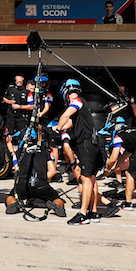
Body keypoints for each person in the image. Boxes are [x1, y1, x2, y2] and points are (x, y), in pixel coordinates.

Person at [58, 79, 106, 225]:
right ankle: (94, 212)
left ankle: (83, 214)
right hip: (92, 143)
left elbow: (65, 117)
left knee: (85, 179)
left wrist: (58, 127)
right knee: (91, 178)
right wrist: (57, 127)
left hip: (86, 144)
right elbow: (70, 123)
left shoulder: (77, 101)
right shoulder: (82, 108)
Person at [8, 130, 68, 218]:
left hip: (23, 184)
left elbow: (17, 169)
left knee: (11, 196)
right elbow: (53, 171)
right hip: (41, 184)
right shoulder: (44, 151)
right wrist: (43, 178)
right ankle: (57, 206)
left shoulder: (19, 152)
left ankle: (14, 204)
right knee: (56, 198)